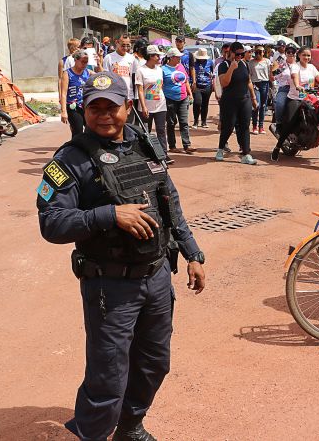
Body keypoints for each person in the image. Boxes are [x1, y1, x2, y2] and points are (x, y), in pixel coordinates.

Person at [37, 70, 206, 441]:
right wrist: (109, 214)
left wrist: (192, 252)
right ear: (84, 111)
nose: (103, 115)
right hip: (109, 285)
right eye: (94, 108)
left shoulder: (145, 146)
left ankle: (129, 427)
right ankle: (93, 435)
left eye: (111, 106)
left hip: (157, 276)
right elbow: (51, 223)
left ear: (127, 107)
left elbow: (170, 202)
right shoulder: (69, 160)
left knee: (153, 363)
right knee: (108, 375)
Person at [270, 47, 319, 162]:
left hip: (309, 96)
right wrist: (297, 85)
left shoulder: (311, 67)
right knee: (286, 114)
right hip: (294, 95)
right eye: (304, 55)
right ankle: (278, 145)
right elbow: (293, 77)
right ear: (299, 56)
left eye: (308, 55)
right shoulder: (288, 64)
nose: (306, 57)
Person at [216, 41, 258, 164]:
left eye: (242, 54)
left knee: (245, 126)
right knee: (228, 126)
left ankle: (246, 154)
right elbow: (224, 83)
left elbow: (248, 81)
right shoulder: (223, 65)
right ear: (231, 53)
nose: (240, 56)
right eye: (238, 54)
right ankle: (220, 148)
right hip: (229, 100)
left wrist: (254, 98)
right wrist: (231, 69)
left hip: (244, 99)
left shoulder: (244, 64)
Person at [136, 45, 172, 165]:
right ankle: (148, 155)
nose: (159, 57)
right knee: (146, 132)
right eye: (157, 55)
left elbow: (160, 86)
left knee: (161, 130)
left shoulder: (159, 69)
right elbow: (140, 90)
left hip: (161, 105)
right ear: (150, 56)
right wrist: (144, 106)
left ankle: (164, 155)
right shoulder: (141, 70)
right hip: (146, 107)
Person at [162, 48, 195, 154]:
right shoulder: (163, 69)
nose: (180, 59)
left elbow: (185, 81)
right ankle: (172, 146)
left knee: (184, 122)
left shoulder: (181, 67)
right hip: (169, 99)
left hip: (183, 98)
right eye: (177, 57)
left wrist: (190, 94)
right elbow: (160, 85)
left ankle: (187, 145)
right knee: (171, 123)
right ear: (171, 58)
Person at [60, 50, 90, 136]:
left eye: (86, 62)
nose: (85, 64)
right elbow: (63, 94)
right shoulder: (67, 73)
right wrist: (63, 111)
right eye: (82, 62)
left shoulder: (87, 72)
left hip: (85, 106)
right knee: (78, 131)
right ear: (76, 60)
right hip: (73, 107)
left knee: (91, 130)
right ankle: (74, 148)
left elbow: (101, 74)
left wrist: (99, 62)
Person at [248, 46, 272, 134]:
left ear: (263, 52)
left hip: (265, 84)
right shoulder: (251, 62)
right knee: (256, 105)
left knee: (263, 105)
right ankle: (254, 126)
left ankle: (261, 126)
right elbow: (249, 75)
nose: (258, 54)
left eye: (260, 52)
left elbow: (271, 73)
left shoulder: (267, 61)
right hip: (255, 84)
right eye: (257, 52)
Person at [271, 45, 297, 126]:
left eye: (293, 52)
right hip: (284, 89)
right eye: (288, 52)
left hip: (297, 90)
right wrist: (271, 69)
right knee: (279, 103)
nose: (291, 54)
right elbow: (272, 78)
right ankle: (278, 123)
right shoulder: (281, 63)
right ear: (285, 53)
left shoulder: (299, 63)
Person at [191, 48, 214, 128]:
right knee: (197, 102)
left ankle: (203, 122)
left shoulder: (210, 62)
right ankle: (196, 121)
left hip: (207, 86)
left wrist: (212, 78)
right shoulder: (194, 64)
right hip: (197, 86)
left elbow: (213, 72)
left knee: (205, 104)